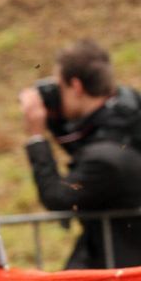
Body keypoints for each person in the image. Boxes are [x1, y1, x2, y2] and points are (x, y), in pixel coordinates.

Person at [19, 40, 141, 269]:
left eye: (59, 87)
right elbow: (85, 148)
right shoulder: (128, 117)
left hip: (119, 267)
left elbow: (57, 196)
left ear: (76, 87)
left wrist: (36, 135)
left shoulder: (104, 159)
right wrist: (55, 119)